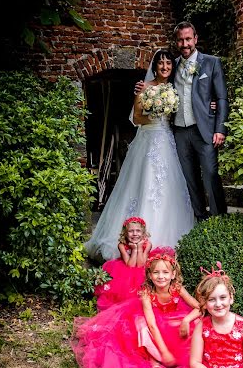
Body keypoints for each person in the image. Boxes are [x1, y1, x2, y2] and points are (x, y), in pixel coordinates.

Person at [85, 49, 194, 263]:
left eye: (168, 64)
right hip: (148, 139)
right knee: (145, 183)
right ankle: (136, 244)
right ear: (155, 67)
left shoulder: (173, 88)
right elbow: (135, 118)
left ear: (172, 67)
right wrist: (154, 114)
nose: (165, 67)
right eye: (161, 63)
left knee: (168, 188)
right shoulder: (144, 87)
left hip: (167, 140)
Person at [72, 248, 200, 368]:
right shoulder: (147, 293)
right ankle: (155, 359)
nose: (161, 276)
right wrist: (164, 351)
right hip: (151, 321)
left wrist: (186, 320)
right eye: (156, 272)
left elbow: (198, 307)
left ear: (173, 274)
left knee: (195, 322)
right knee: (142, 328)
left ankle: (186, 355)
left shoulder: (177, 288)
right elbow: (152, 324)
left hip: (171, 319)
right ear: (149, 275)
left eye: (165, 272)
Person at [135, 22, 228, 221]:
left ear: (195, 39)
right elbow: (159, 82)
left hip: (204, 129)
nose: (184, 44)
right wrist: (143, 88)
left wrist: (220, 128)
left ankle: (219, 220)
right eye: (180, 40)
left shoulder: (212, 63)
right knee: (189, 178)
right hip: (178, 131)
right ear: (176, 41)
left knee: (210, 173)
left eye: (188, 39)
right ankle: (200, 218)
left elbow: (221, 98)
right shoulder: (173, 64)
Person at [94, 216, 152, 311]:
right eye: (131, 231)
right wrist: (134, 249)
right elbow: (131, 265)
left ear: (143, 233)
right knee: (123, 288)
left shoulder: (147, 244)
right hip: (126, 269)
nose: (134, 234)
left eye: (138, 231)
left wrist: (140, 248)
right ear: (125, 233)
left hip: (142, 269)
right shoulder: (121, 245)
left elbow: (141, 264)